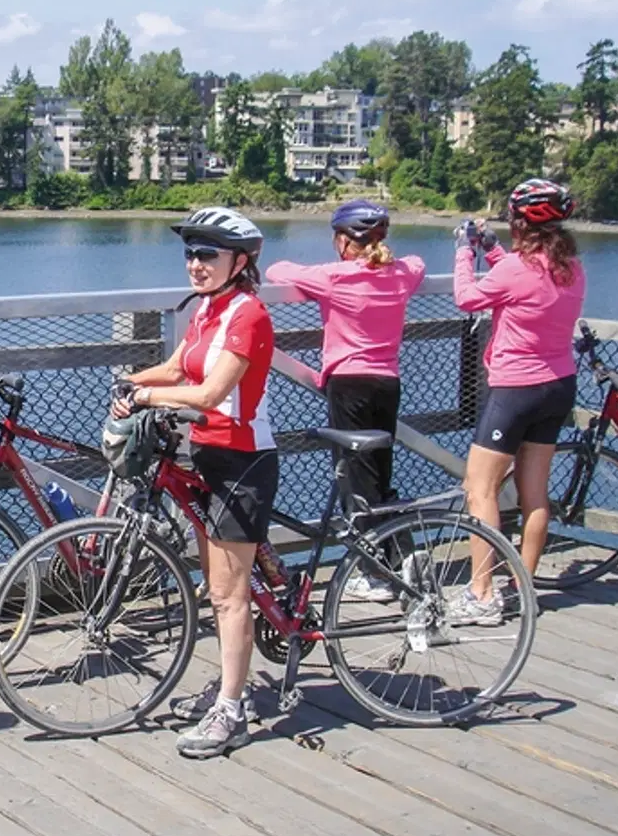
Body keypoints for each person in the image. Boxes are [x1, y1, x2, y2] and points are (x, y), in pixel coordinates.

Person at [113, 206, 277, 759]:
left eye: (208, 253)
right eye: (190, 253)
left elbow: (209, 395)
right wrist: (130, 379)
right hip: (205, 454)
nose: (195, 263)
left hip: (242, 462)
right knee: (219, 585)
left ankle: (230, 709)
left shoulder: (248, 314)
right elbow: (180, 370)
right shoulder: (209, 308)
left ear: (241, 261)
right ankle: (233, 684)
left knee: (230, 597)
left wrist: (146, 398)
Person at [265, 200, 426, 601]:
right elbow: (418, 264)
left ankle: (377, 574)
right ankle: (399, 555)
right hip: (387, 384)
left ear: (342, 241)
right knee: (379, 475)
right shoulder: (402, 274)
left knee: (356, 480)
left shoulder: (336, 277)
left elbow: (277, 271)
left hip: (349, 385)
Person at [452, 178, 586, 624]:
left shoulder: (515, 269)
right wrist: (491, 250)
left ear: (522, 223)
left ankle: (482, 592)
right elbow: (522, 279)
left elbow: (468, 297)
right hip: (558, 385)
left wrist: (463, 251)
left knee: (480, 489)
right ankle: (523, 588)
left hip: (515, 390)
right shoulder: (570, 267)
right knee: (535, 495)